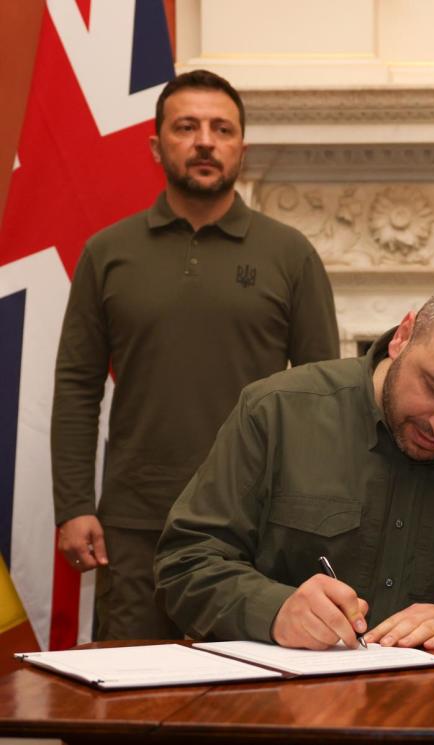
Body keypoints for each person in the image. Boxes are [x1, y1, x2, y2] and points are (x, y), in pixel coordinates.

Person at [154, 279, 434, 650]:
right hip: (284, 716)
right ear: (403, 336)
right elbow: (186, 562)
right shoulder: (277, 412)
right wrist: (274, 610)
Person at [52, 70, 340, 640]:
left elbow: (325, 401)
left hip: (253, 527)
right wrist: (74, 506)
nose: (205, 141)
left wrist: (313, 524)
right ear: (158, 146)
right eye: (187, 127)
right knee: (128, 709)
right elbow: (76, 387)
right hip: (135, 526)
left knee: (246, 710)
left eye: (221, 129)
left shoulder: (290, 254)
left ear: (241, 149)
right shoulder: (107, 252)